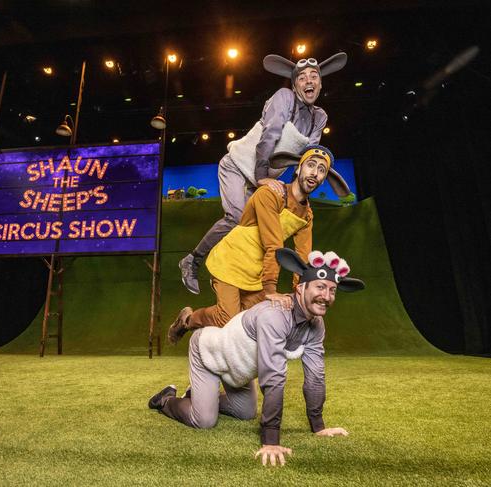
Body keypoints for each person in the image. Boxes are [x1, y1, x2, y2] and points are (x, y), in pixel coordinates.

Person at [149, 248, 365, 467]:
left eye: (333, 290)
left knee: (245, 412)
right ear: (300, 288)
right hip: (210, 354)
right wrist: (270, 440)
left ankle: (196, 394)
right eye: (320, 287)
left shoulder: (316, 326)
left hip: (239, 370)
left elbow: (315, 377)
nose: (326, 296)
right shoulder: (275, 316)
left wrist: (318, 426)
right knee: (204, 420)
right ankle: (165, 399)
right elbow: (274, 378)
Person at [179, 52, 349, 295]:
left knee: (257, 230)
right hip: (238, 167)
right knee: (237, 218)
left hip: (264, 180)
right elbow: (268, 138)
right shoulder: (284, 98)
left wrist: (297, 193)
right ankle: (192, 261)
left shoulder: (319, 118)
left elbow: (307, 157)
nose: (309, 81)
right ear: (294, 84)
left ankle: (230, 275)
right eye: (302, 78)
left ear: (321, 84)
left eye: (314, 76)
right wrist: (262, 177)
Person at [168, 145, 351, 344]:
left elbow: (303, 257)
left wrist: (301, 295)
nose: (315, 173)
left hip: (255, 273)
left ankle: (248, 373)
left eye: (321, 170)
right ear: (298, 168)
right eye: (311, 165)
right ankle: (187, 320)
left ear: (324, 179)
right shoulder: (271, 194)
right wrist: (271, 290)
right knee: (228, 319)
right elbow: (273, 245)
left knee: (252, 321)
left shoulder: (307, 215)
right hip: (231, 261)